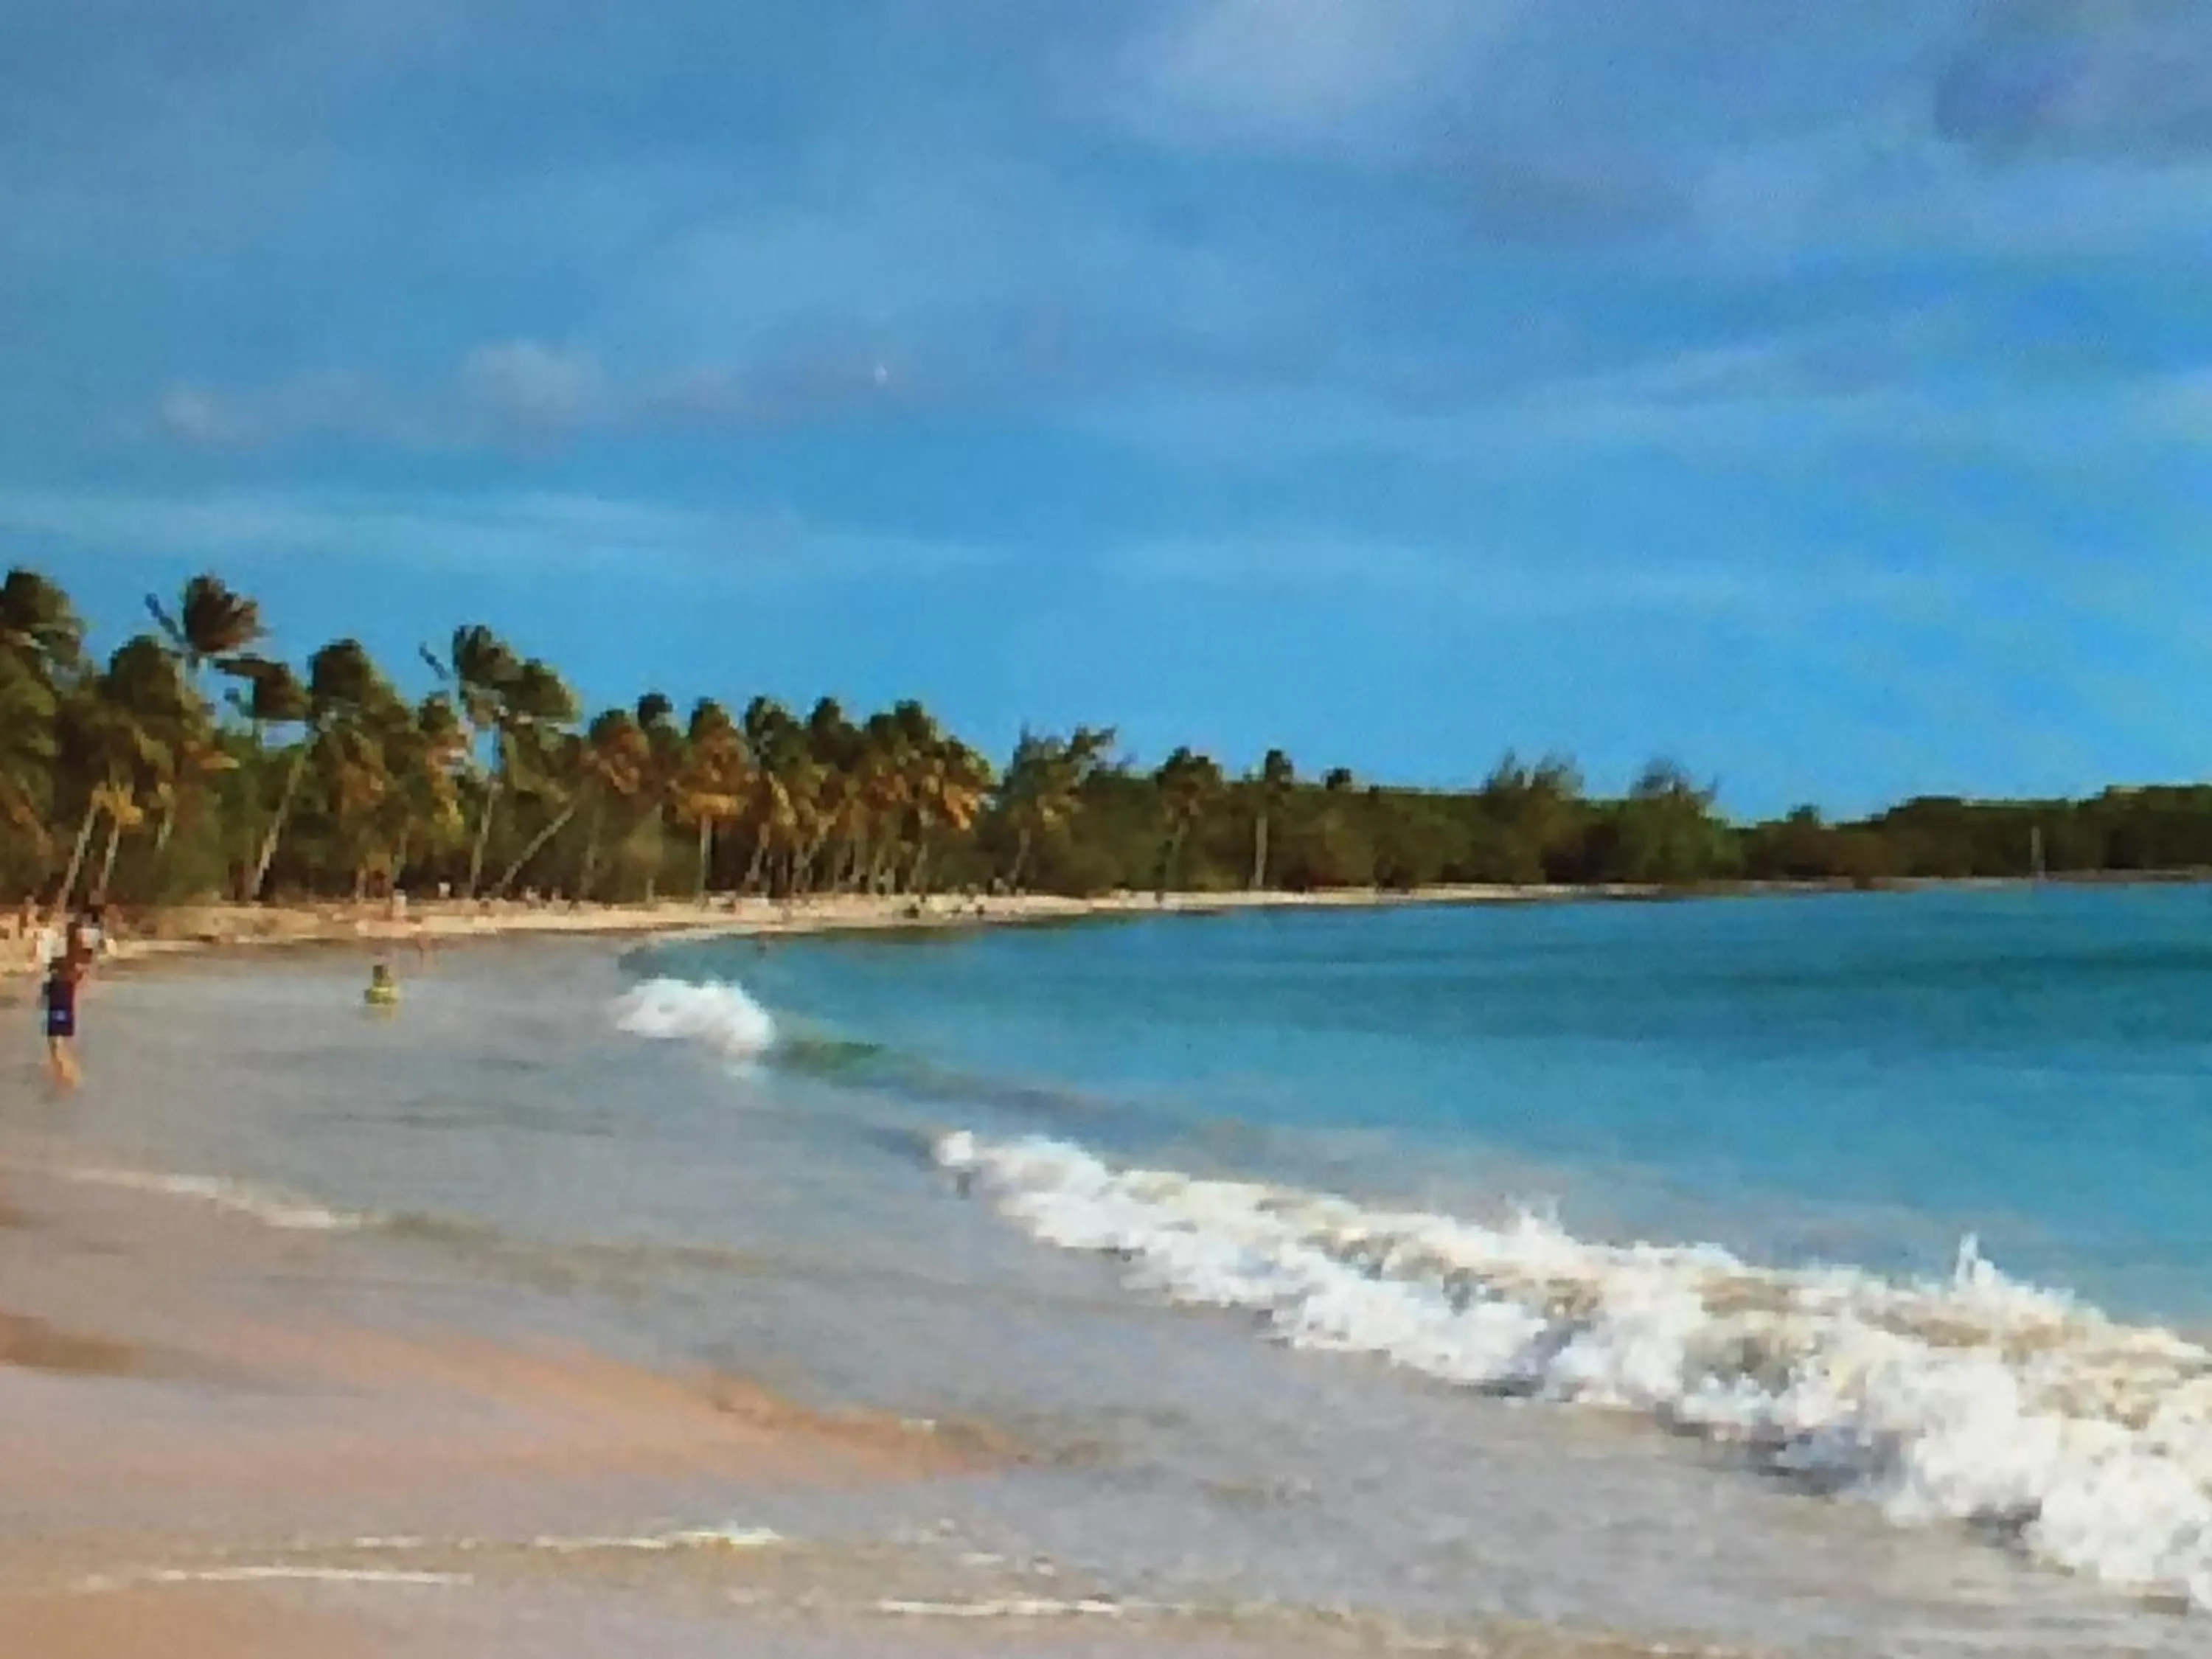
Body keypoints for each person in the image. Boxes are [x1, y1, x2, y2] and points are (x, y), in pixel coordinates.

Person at [41, 925, 86, 1091]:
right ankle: (63, 1076)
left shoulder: (63, 961)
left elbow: (53, 969)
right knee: (58, 1043)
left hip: (57, 1000)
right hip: (65, 1002)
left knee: (55, 1043)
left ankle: (67, 1077)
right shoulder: (75, 962)